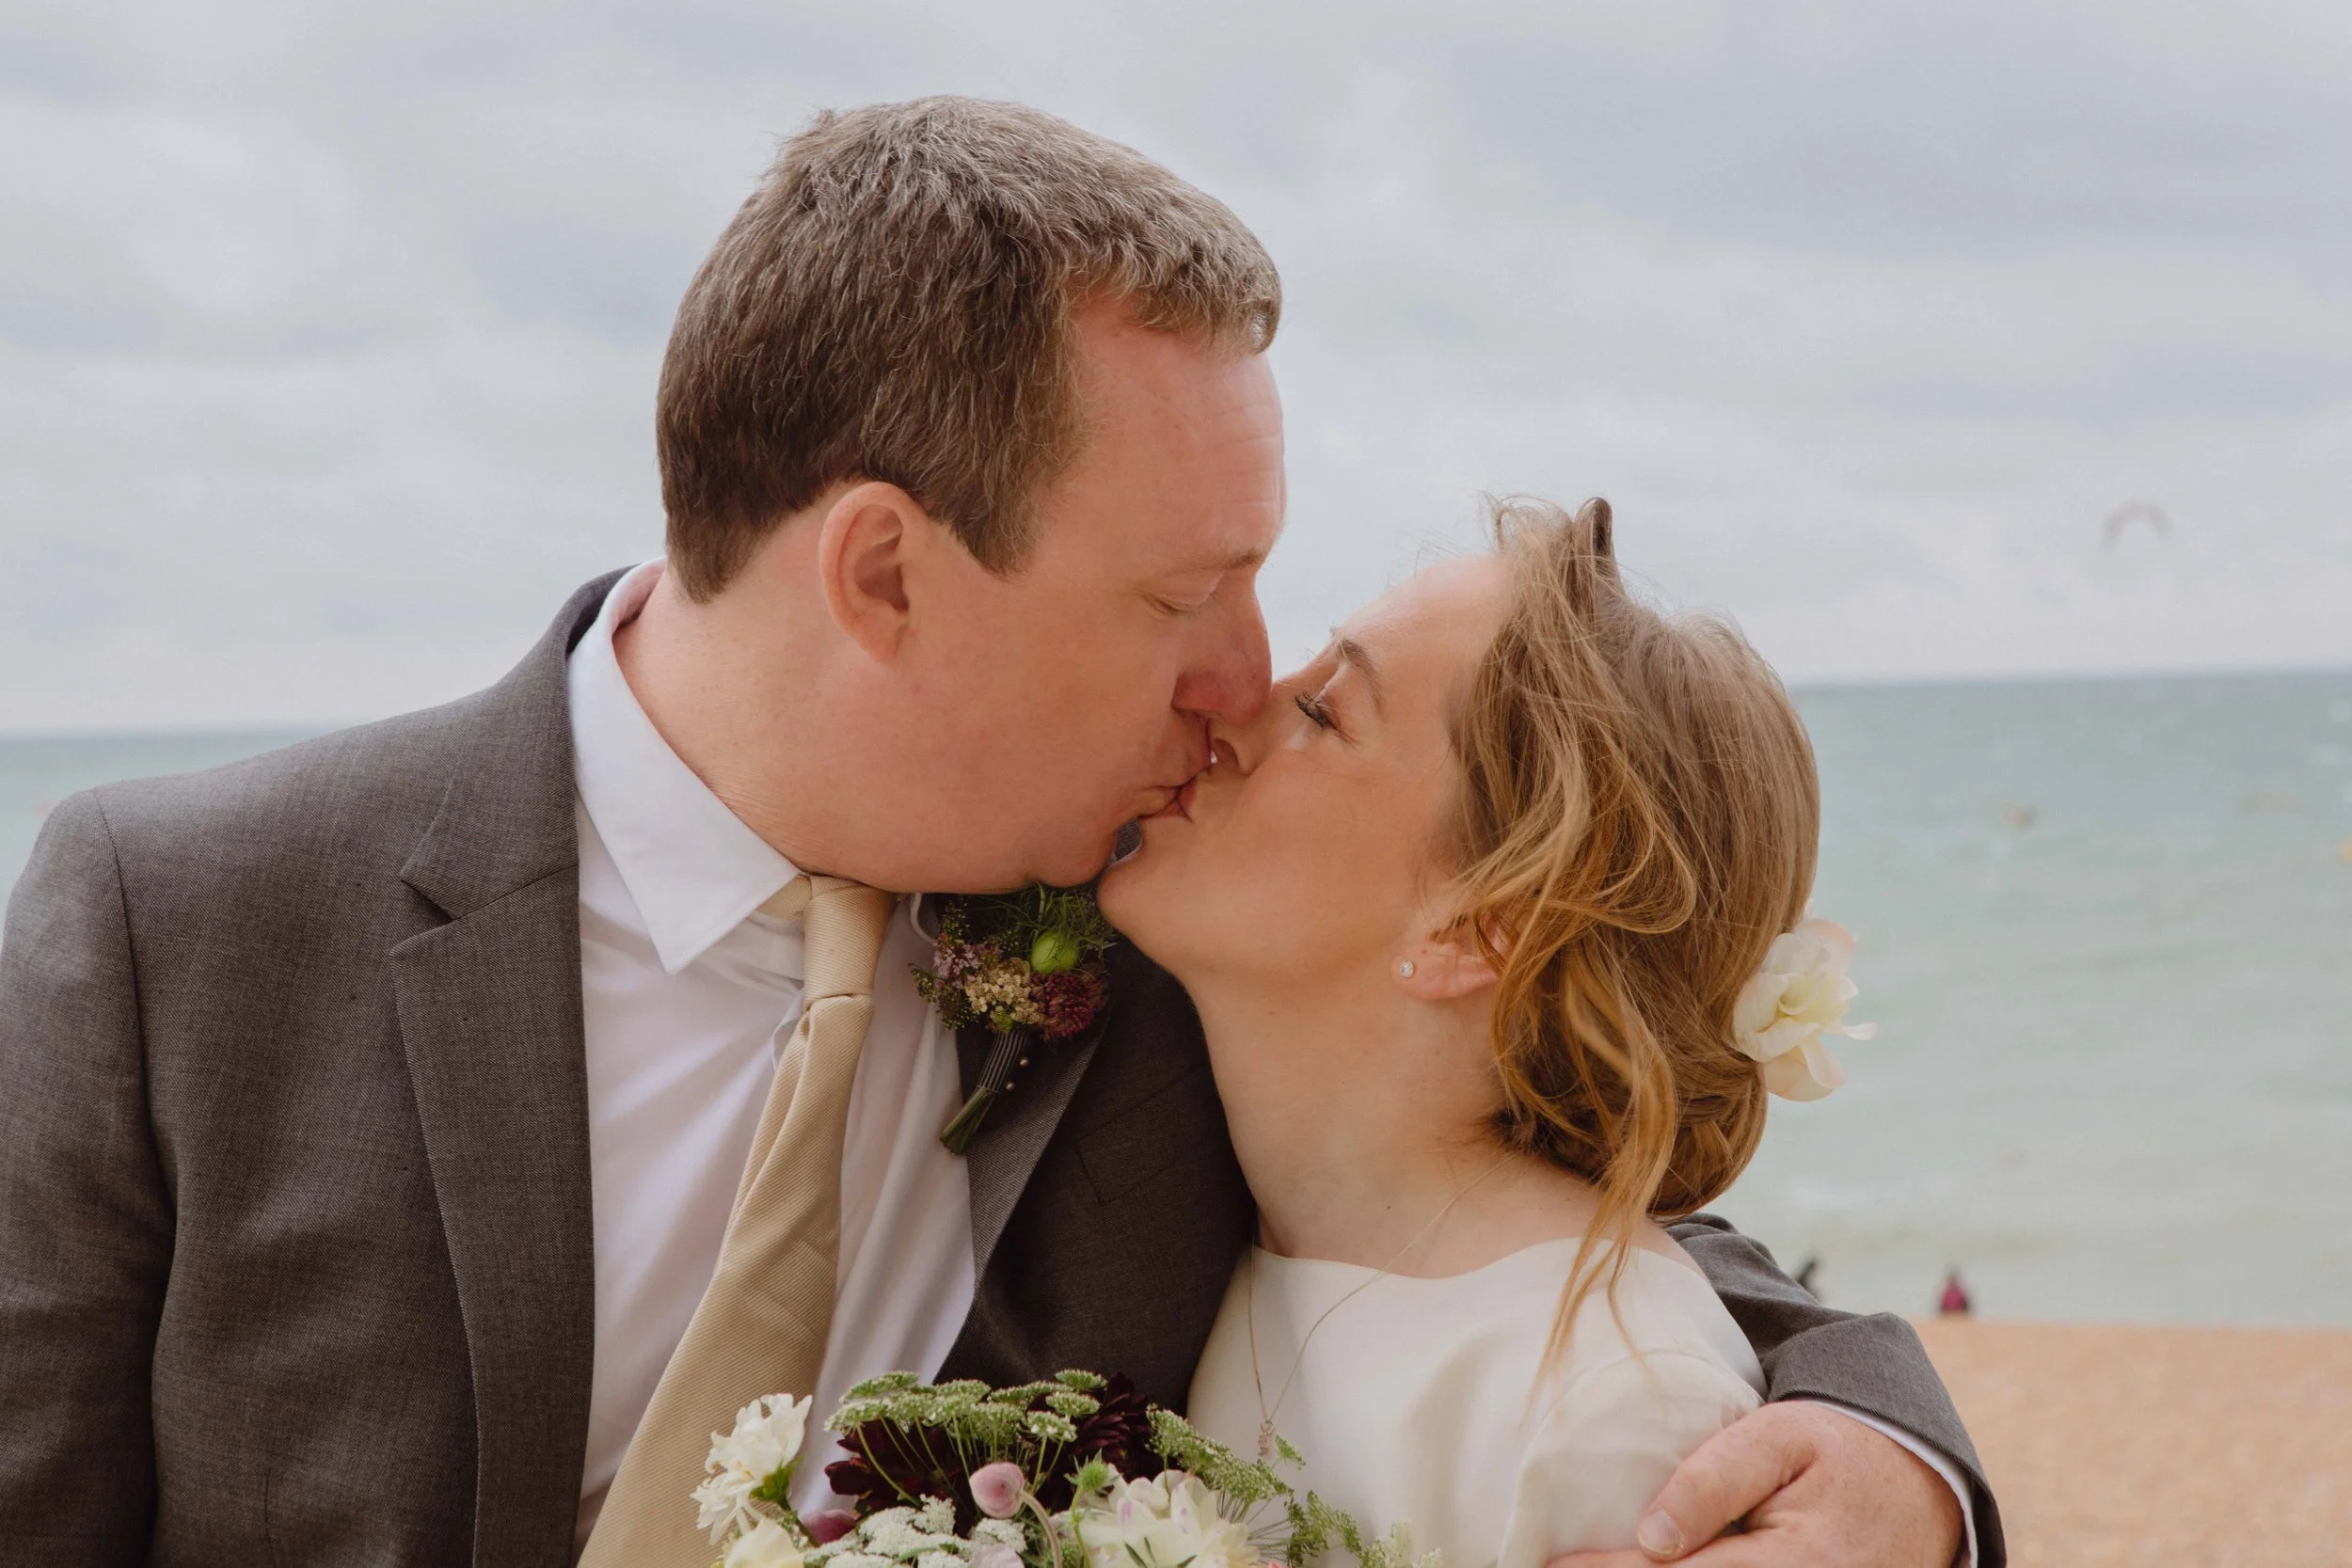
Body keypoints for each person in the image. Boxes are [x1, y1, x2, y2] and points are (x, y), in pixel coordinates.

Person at [0, 100, 1992, 1568]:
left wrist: (1889, 1447)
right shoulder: (178, 934)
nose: (1243, 675)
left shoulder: (1175, 945)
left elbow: (1565, 1192)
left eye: (1263, 590)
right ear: (878, 573)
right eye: (1171, 599)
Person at [1101, 498, 1936, 1561]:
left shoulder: (1610, 1409)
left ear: (1473, 928)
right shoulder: (1274, 1231)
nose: (1234, 706)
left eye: (1325, 713)